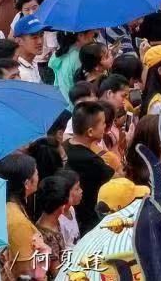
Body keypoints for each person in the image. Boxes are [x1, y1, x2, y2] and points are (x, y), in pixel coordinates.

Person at [63, 99, 116, 232]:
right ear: (90, 132)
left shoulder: (65, 146)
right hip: (90, 222)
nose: (105, 126)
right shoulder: (91, 160)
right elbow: (117, 179)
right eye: (103, 123)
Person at [0, 152, 45, 281]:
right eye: (36, 173)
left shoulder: (10, 206)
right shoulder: (17, 222)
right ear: (27, 183)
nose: (38, 176)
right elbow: (25, 272)